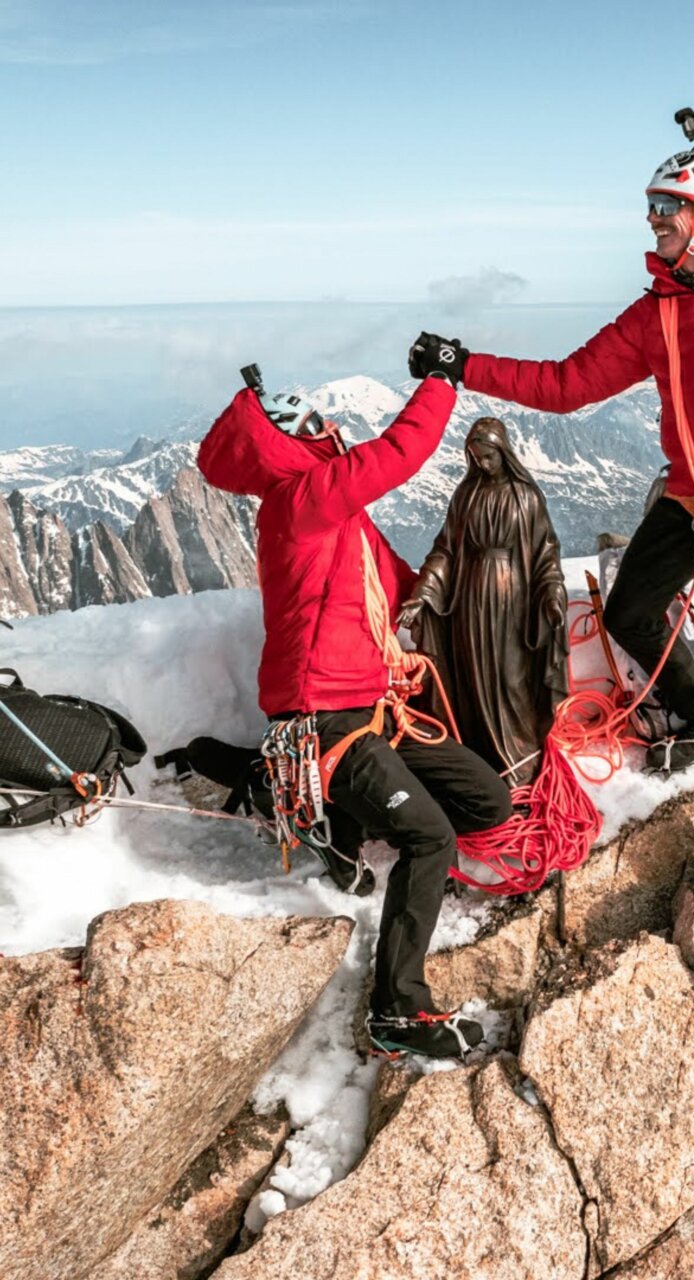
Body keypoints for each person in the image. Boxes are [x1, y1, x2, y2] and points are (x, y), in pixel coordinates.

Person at [409, 119, 694, 857]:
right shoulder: (657, 310)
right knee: (632, 609)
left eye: (668, 207)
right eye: (652, 207)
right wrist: (461, 364)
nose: (654, 221)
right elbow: (564, 386)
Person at [196, 355, 515, 1058]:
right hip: (326, 720)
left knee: (487, 801)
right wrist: (443, 379)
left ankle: (323, 815)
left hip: (371, 709)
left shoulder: (338, 514)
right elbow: (402, 452)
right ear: (289, 440)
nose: (328, 422)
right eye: (309, 419)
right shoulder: (302, 498)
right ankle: (398, 1009)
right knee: (430, 838)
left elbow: (391, 583)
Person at [400, 418, 569, 786]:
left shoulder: (526, 496)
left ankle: (518, 762)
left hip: (512, 600)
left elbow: (545, 553)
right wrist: (423, 594)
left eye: (489, 457)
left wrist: (552, 591)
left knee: (511, 678)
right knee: (472, 679)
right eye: (476, 458)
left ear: (503, 452)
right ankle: (481, 760)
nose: (482, 465)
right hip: (469, 600)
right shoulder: (466, 495)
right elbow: (444, 550)